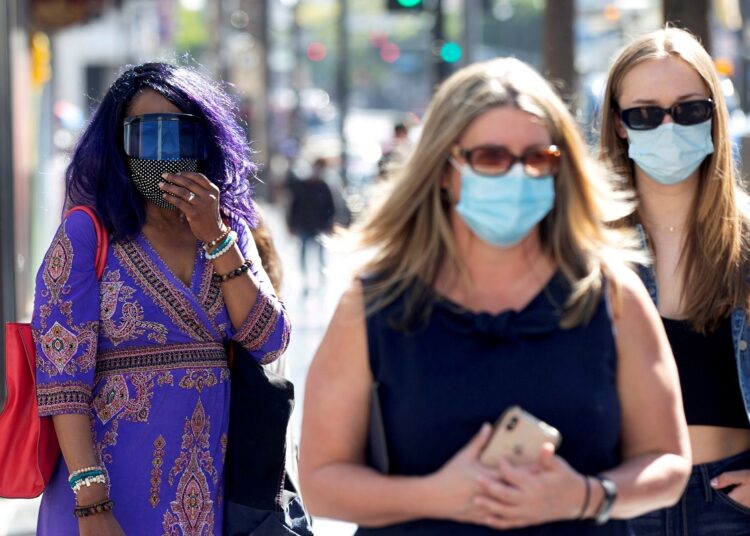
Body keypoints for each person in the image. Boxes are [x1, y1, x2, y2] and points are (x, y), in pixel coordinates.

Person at [299, 57, 691, 535]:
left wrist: (587, 496)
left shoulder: (610, 294)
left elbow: (668, 461)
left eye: (537, 158)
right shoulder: (373, 303)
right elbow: (320, 481)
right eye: (491, 157)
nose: (517, 175)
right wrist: (437, 496)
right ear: (444, 170)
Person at [31, 62, 290, 535]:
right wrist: (91, 505)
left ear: (206, 144)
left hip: (205, 498)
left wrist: (215, 237)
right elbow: (62, 380)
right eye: (145, 136)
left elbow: (269, 341)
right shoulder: (86, 234)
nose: (164, 154)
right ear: (118, 146)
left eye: (180, 135)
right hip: (106, 498)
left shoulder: (228, 232)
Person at [599, 27, 750, 534]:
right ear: (619, 125)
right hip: (620, 503)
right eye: (644, 114)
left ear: (714, 115)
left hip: (732, 503)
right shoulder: (585, 246)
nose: (668, 126)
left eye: (688, 109)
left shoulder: (747, 239)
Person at [286, 157, 336, 291]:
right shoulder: (303, 185)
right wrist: (291, 225)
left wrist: (330, 224)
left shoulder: (324, 186)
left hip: (320, 227)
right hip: (305, 225)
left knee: (320, 254)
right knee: (303, 253)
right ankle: (305, 279)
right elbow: (295, 206)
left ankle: (321, 278)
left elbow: (331, 207)